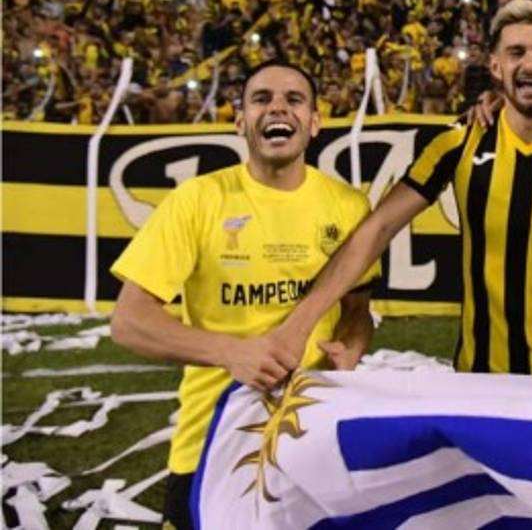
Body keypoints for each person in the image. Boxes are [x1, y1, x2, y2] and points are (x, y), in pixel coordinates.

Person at [268, 0, 532, 374]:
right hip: (481, 377)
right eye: (516, 53)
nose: (530, 63)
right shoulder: (458, 142)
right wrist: (299, 323)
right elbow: (377, 229)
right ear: (496, 66)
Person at [109, 60, 381, 530]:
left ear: (314, 122)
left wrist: (354, 341)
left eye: (294, 99)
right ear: (240, 121)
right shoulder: (196, 201)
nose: (279, 107)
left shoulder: (349, 205)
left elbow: (358, 307)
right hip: (213, 438)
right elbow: (129, 321)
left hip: (313, 436)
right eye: (261, 99)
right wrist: (232, 353)